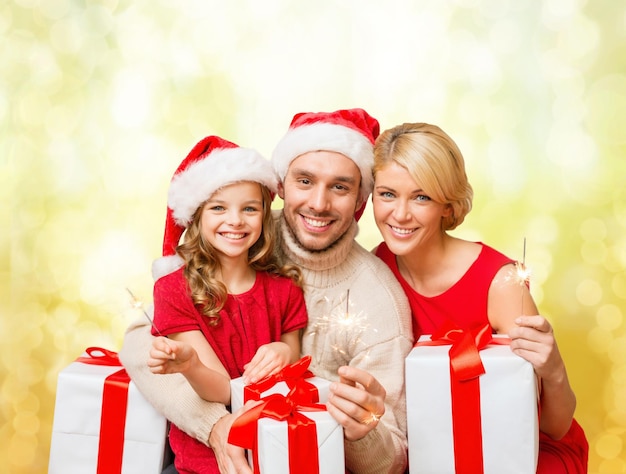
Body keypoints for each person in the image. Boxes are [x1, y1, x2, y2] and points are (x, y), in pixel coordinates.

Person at [119, 109, 414, 474]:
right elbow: (139, 342)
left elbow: (392, 461)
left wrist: (360, 430)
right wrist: (214, 425)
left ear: (360, 200)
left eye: (339, 186)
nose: (319, 204)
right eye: (304, 181)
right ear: (281, 185)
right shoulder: (240, 236)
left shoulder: (377, 298)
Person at [372, 122, 589, 473]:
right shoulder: (376, 267)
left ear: (448, 205)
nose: (400, 214)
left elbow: (555, 427)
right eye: (387, 194)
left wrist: (555, 370)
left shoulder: (500, 283)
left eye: (421, 196)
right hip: (435, 444)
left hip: (519, 447)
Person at [145, 135, 308, 473]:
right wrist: (190, 366)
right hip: (205, 462)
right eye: (218, 207)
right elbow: (221, 391)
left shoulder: (284, 290)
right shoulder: (174, 291)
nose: (235, 220)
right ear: (196, 216)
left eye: (249, 208)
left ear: (265, 215)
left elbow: (297, 361)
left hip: (278, 453)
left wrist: (283, 350)